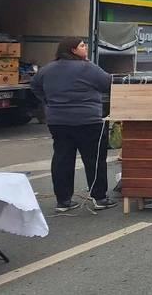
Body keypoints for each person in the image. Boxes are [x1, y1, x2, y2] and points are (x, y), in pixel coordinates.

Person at [30, 37, 116, 212]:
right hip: (88, 120)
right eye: (82, 46)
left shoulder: (47, 69)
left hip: (58, 121)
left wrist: (48, 100)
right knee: (94, 160)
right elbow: (108, 83)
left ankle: (63, 201)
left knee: (63, 158)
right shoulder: (87, 67)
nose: (85, 49)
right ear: (73, 50)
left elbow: (34, 86)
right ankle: (99, 197)